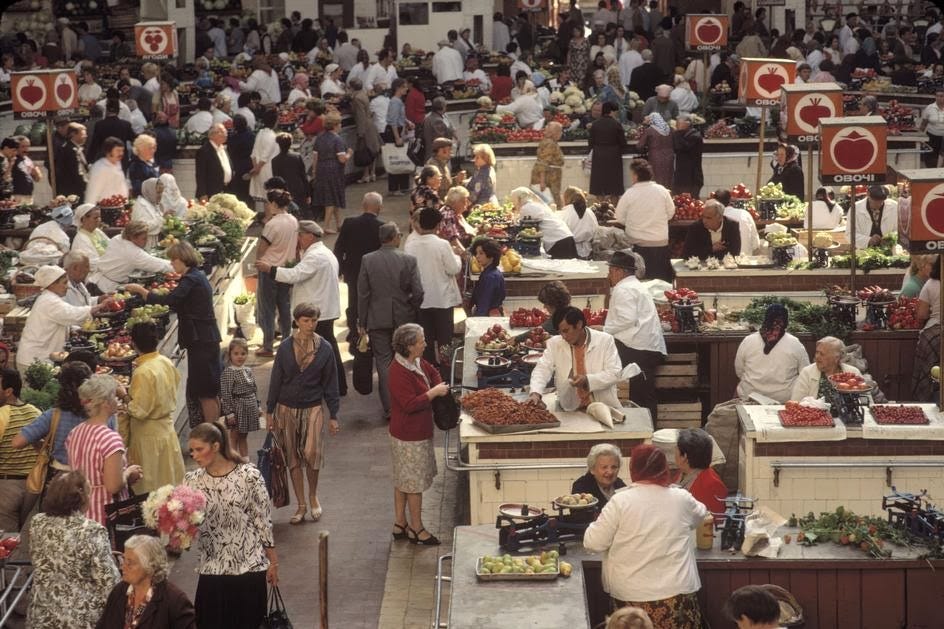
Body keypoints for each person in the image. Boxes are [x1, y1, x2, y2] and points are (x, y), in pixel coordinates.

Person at [584, 444, 707, 627]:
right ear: (663, 467)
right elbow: (701, 515)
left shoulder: (620, 501)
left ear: (634, 468)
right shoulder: (681, 498)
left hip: (631, 598)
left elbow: (593, 543)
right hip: (677, 594)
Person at [185, 421, 277, 629]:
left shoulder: (249, 476)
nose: (195, 455)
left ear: (216, 446)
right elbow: (188, 527)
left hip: (249, 568)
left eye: (199, 449)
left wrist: (273, 563)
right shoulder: (191, 481)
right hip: (212, 569)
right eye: (192, 451)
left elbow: (263, 521)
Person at [124, 241, 222, 424]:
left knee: (204, 392)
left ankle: (211, 433)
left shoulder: (190, 279)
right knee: (209, 389)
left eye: (173, 261)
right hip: (205, 338)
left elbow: (171, 300)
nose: (171, 265)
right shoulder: (196, 276)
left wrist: (142, 291)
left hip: (201, 340)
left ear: (180, 259)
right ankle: (214, 430)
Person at [267, 303, 340, 524]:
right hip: (285, 407)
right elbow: (276, 378)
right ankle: (300, 504)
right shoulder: (286, 347)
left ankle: (313, 495)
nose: (310, 324)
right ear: (297, 321)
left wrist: (334, 414)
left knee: (312, 454)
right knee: (292, 457)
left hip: (313, 407)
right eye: (306, 320)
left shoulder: (325, 348)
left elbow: (331, 382)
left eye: (314, 320)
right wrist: (270, 411)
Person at [257, 220, 346, 397]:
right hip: (322, 309)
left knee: (320, 351)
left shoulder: (316, 256)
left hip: (317, 312)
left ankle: (331, 386)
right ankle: (334, 386)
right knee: (323, 349)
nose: (298, 238)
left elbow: (295, 275)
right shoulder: (322, 252)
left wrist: (270, 270)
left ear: (310, 236)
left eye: (300, 235)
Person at [27, 471, 120, 628]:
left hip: (41, 616)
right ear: (81, 498)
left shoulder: (37, 522)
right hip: (80, 620)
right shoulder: (91, 530)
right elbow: (109, 583)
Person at [387, 323, 448, 545]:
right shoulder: (398, 371)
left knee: (402, 479)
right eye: (421, 340)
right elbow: (409, 404)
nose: (425, 343)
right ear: (410, 346)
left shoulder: (415, 362)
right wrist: (433, 392)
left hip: (411, 432)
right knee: (414, 484)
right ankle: (416, 528)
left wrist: (438, 383)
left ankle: (400, 523)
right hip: (409, 436)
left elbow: (432, 371)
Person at [358, 223, 424, 420]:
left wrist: (362, 320)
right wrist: (412, 307)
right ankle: (408, 401)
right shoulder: (408, 260)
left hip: (377, 318)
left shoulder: (368, 260)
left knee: (384, 361)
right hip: (403, 316)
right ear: (395, 237)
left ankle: (390, 408)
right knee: (407, 359)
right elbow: (418, 291)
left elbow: (363, 293)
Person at [66, 375, 143, 526]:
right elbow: (113, 486)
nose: (117, 401)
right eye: (114, 397)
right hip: (106, 513)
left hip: (80, 510)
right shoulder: (110, 439)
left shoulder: (75, 432)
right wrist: (127, 473)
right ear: (106, 404)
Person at [121, 321, 184, 494]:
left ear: (133, 343)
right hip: (166, 430)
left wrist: (123, 395)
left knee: (150, 489)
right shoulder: (164, 361)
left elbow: (138, 411)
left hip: (148, 437)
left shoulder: (143, 372)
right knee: (170, 483)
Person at [16, 266, 113, 373]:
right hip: (33, 360)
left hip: (39, 358)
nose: (67, 287)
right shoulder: (49, 301)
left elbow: (63, 318)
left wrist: (73, 329)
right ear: (52, 284)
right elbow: (72, 314)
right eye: (64, 283)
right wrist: (100, 306)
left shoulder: (51, 299)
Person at [604, 251, 666, 419]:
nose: (609, 275)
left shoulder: (623, 288)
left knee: (641, 395)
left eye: (610, 271)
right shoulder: (635, 285)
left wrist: (604, 329)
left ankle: (647, 432)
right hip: (644, 346)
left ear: (618, 271)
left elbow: (627, 319)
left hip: (638, 348)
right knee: (643, 393)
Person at [528, 306, 622, 412]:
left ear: (579, 324)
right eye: (560, 332)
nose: (563, 336)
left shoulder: (605, 340)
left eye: (566, 331)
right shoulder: (555, 343)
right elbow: (543, 368)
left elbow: (615, 373)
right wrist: (535, 392)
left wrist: (588, 380)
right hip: (570, 408)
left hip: (603, 406)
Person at [97, 534, 197, 629]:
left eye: (130, 563)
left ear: (150, 566)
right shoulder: (119, 591)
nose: (122, 566)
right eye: (123, 560)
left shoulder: (175, 601)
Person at [404, 207, 462, 366]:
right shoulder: (442, 244)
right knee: (445, 341)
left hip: (422, 300)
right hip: (442, 300)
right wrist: (457, 257)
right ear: (438, 225)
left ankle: (429, 373)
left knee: (425, 341)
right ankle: (446, 374)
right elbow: (453, 269)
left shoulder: (410, 245)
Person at [613, 159, 675, 282]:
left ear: (635, 176)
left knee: (640, 281)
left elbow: (619, 217)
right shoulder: (662, 190)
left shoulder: (629, 193)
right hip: (660, 243)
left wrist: (632, 223)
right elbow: (671, 213)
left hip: (637, 245)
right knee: (661, 282)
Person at [735, 304, 810, 403]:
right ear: (786, 322)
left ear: (766, 319)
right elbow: (805, 374)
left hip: (750, 398)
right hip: (783, 401)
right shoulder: (795, 344)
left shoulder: (748, 341)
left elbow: (739, 371)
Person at [335, 191, 384, 332]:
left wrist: (339, 270)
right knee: (373, 303)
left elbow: (339, 248)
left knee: (354, 303)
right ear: (379, 207)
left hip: (353, 271)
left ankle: (354, 333)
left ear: (363, 205)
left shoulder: (349, 223)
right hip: (374, 273)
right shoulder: (382, 226)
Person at [0, 368, 41, 531]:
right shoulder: (36, 412)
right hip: (33, 488)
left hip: (6, 488)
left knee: (5, 544)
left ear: (8, 391)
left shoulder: (2, 415)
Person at [87, 222, 173, 293]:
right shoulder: (133, 253)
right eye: (144, 238)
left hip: (96, 281)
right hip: (105, 288)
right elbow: (160, 265)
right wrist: (181, 265)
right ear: (133, 238)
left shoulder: (117, 238)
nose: (146, 241)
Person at [311, 112, 352, 234]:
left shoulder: (319, 138)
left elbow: (315, 157)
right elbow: (342, 159)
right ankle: (326, 226)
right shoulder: (337, 139)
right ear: (335, 125)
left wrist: (314, 172)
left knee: (332, 196)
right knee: (331, 199)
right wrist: (349, 153)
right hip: (334, 170)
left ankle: (339, 223)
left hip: (321, 168)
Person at [219, 338, 260, 461]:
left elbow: (254, 389)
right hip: (237, 407)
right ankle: (233, 460)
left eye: (243, 353)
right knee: (234, 435)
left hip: (249, 406)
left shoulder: (248, 370)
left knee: (244, 435)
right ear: (230, 355)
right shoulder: (228, 372)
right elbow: (225, 394)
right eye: (236, 354)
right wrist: (229, 413)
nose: (240, 357)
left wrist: (258, 406)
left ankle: (245, 461)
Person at [511, 186, 577, 259]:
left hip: (557, 240)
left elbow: (519, 224)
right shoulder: (536, 204)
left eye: (514, 201)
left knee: (560, 268)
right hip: (566, 236)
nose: (514, 204)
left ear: (519, 199)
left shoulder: (526, 208)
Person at [790, 336, 863, 401]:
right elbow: (796, 402)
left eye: (822, 354)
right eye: (817, 352)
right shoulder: (807, 372)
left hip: (847, 416)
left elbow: (865, 402)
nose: (817, 356)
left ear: (836, 358)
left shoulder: (853, 372)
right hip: (816, 415)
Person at [676, 427, 727, 516]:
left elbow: (712, 522)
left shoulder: (711, 486)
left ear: (684, 457)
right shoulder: (682, 472)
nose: (674, 453)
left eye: (675, 449)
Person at [589, 102, 628, 199]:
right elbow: (623, 143)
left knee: (599, 183)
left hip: (598, 155)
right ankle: (614, 209)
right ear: (611, 112)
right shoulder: (616, 124)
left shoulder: (595, 124)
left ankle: (599, 207)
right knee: (614, 184)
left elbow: (590, 142)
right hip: (613, 156)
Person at [571, 443, 627, 510]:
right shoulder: (581, 487)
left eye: (614, 467)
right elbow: (579, 517)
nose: (610, 472)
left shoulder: (620, 485)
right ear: (592, 469)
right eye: (604, 467)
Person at [271, 132, 310, 219]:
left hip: (285, 192)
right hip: (299, 189)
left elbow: (276, 180)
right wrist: (308, 193)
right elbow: (303, 176)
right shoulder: (297, 157)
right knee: (302, 214)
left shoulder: (274, 160)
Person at [384, 78, 413, 196]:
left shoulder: (397, 101)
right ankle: (395, 187)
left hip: (398, 130)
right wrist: (397, 137)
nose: (406, 89)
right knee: (396, 158)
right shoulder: (395, 101)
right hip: (395, 132)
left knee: (399, 158)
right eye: (404, 87)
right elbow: (393, 121)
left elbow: (398, 117)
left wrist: (407, 122)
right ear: (398, 88)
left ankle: (402, 185)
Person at [847, 185, 898, 249]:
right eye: (875, 201)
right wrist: (868, 240)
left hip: (890, 249)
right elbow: (849, 234)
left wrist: (890, 238)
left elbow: (900, 231)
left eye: (881, 202)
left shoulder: (894, 206)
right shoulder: (855, 208)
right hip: (864, 252)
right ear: (868, 194)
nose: (878, 205)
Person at [351, 78, 382, 184]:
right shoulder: (364, 95)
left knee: (364, 150)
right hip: (370, 124)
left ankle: (366, 175)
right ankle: (372, 173)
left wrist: (360, 132)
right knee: (373, 151)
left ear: (351, 87)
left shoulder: (356, 98)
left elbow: (360, 116)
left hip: (364, 126)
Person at [85, 136, 130, 205]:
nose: (121, 154)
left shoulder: (118, 164)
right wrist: (88, 210)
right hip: (105, 209)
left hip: (120, 206)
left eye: (122, 151)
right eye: (118, 151)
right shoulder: (99, 168)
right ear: (108, 151)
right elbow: (92, 192)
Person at [248, 108, 280, 204]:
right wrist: (257, 168)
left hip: (258, 167)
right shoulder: (272, 136)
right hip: (266, 168)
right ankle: (268, 216)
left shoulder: (260, 133)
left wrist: (255, 168)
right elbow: (265, 156)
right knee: (269, 195)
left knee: (265, 196)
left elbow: (253, 153)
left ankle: (267, 216)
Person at [194, 123, 234, 201]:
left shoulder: (223, 149)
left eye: (225, 131)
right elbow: (200, 174)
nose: (226, 133)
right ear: (213, 135)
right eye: (222, 131)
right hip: (211, 192)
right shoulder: (204, 151)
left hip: (226, 190)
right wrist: (203, 194)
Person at [531, 122, 565, 208]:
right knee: (551, 201)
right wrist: (542, 181)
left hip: (552, 175)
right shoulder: (550, 143)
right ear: (555, 133)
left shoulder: (550, 142)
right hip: (549, 176)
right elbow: (543, 162)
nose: (561, 133)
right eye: (560, 131)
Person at [469, 237, 506, 317]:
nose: (477, 256)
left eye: (481, 253)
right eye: (476, 253)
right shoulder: (491, 272)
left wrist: (477, 321)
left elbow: (484, 303)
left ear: (491, 255)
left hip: (488, 317)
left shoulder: (490, 277)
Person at [636, 113, 674, 188]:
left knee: (657, 177)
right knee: (668, 177)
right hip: (669, 156)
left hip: (656, 156)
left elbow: (640, 146)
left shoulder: (650, 130)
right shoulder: (670, 129)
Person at [560, 186, 599, 259]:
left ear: (566, 198)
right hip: (587, 253)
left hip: (569, 253)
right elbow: (596, 231)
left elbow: (560, 235)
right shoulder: (589, 212)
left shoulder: (564, 213)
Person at [672, 114, 704, 198]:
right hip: (681, 176)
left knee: (691, 202)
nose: (676, 126)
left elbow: (682, 147)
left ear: (687, 123)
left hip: (692, 177)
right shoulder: (681, 134)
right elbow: (675, 147)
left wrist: (677, 133)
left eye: (678, 124)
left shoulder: (695, 135)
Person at [56, 122, 89, 198]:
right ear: (73, 134)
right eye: (83, 134)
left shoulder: (76, 148)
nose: (86, 136)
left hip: (76, 189)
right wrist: (86, 185)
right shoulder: (70, 150)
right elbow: (77, 172)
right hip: (73, 191)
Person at [131, 178, 165, 249]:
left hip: (153, 245)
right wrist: (162, 218)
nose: (160, 195)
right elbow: (141, 228)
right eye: (158, 192)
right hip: (143, 246)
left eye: (161, 192)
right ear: (150, 191)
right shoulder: (140, 206)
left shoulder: (153, 204)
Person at [228, 114, 255, 205]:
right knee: (249, 194)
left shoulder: (232, 138)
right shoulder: (251, 136)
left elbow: (230, 152)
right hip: (249, 166)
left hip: (237, 168)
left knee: (239, 195)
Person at [438, 186, 473, 253]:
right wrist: (466, 256)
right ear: (455, 202)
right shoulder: (448, 215)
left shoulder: (454, 212)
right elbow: (453, 240)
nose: (467, 204)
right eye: (464, 201)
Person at [920, 88, 944, 168]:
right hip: (932, 137)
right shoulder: (929, 108)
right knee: (930, 158)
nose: (939, 98)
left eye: (941, 96)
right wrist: (920, 138)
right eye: (937, 96)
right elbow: (923, 124)